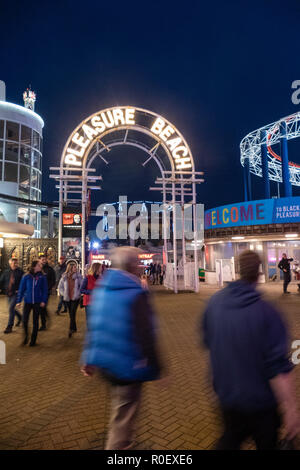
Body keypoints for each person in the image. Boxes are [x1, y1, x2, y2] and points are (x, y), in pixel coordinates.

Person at [202, 250, 300, 450]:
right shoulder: (268, 313)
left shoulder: (214, 303)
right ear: (259, 273)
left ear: (237, 270)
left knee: (229, 440)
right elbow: (278, 369)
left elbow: (208, 343)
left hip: (227, 397)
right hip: (261, 403)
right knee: (266, 444)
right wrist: (291, 410)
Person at [80, 247, 165, 450]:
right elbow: (147, 334)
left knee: (120, 412)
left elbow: (95, 326)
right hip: (128, 366)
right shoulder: (137, 293)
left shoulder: (102, 289)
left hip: (107, 366)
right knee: (123, 421)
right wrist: (158, 368)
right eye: (137, 263)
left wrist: (88, 358)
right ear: (132, 266)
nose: (139, 267)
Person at [16, 260, 48, 347]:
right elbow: (21, 289)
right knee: (25, 320)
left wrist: (43, 301)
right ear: (34, 266)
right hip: (27, 302)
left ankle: (33, 340)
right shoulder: (26, 276)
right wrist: (19, 301)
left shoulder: (42, 277)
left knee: (35, 321)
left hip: (37, 302)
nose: (40, 266)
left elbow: (45, 290)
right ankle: (26, 337)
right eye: (38, 265)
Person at [58, 263, 82, 337]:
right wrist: (63, 293)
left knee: (72, 313)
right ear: (70, 268)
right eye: (74, 267)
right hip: (67, 298)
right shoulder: (64, 276)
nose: (76, 268)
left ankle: (70, 329)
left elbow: (82, 285)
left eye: (76, 267)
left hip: (75, 298)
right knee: (71, 314)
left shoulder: (78, 276)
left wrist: (79, 293)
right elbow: (60, 286)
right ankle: (74, 327)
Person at [0, 258, 24, 334]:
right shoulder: (6, 272)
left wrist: (20, 290)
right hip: (8, 293)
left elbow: (23, 283)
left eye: (16, 263)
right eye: (14, 263)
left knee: (11, 308)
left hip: (16, 293)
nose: (15, 264)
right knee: (12, 309)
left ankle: (9, 326)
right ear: (10, 264)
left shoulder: (20, 272)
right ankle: (20, 317)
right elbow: (1, 281)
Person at [80, 262, 101, 327]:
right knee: (89, 320)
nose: (101, 269)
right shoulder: (87, 278)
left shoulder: (101, 278)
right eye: (100, 267)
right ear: (96, 268)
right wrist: (91, 292)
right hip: (89, 302)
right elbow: (81, 290)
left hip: (98, 302)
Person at [39, 254, 56, 330]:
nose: (44, 261)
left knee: (43, 307)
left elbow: (53, 280)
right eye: (42, 259)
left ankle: (43, 324)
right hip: (37, 292)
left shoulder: (50, 269)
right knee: (40, 308)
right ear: (39, 260)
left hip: (46, 292)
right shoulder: (37, 268)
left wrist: (48, 288)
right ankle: (45, 319)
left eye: (45, 259)